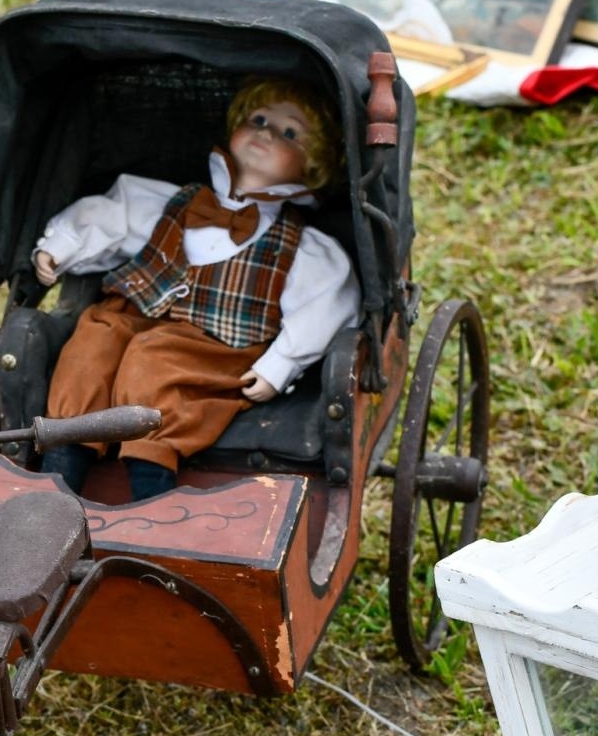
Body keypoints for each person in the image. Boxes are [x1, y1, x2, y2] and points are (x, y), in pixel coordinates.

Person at [34, 75, 359, 501]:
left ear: (313, 164)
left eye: (290, 132)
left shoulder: (303, 248)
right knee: (94, 339)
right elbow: (111, 218)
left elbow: (326, 306)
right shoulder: (175, 200)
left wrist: (280, 364)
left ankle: (149, 489)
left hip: (216, 343)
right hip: (134, 311)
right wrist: (60, 248)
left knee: (154, 362)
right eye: (258, 118)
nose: (266, 132)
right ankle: (59, 474)